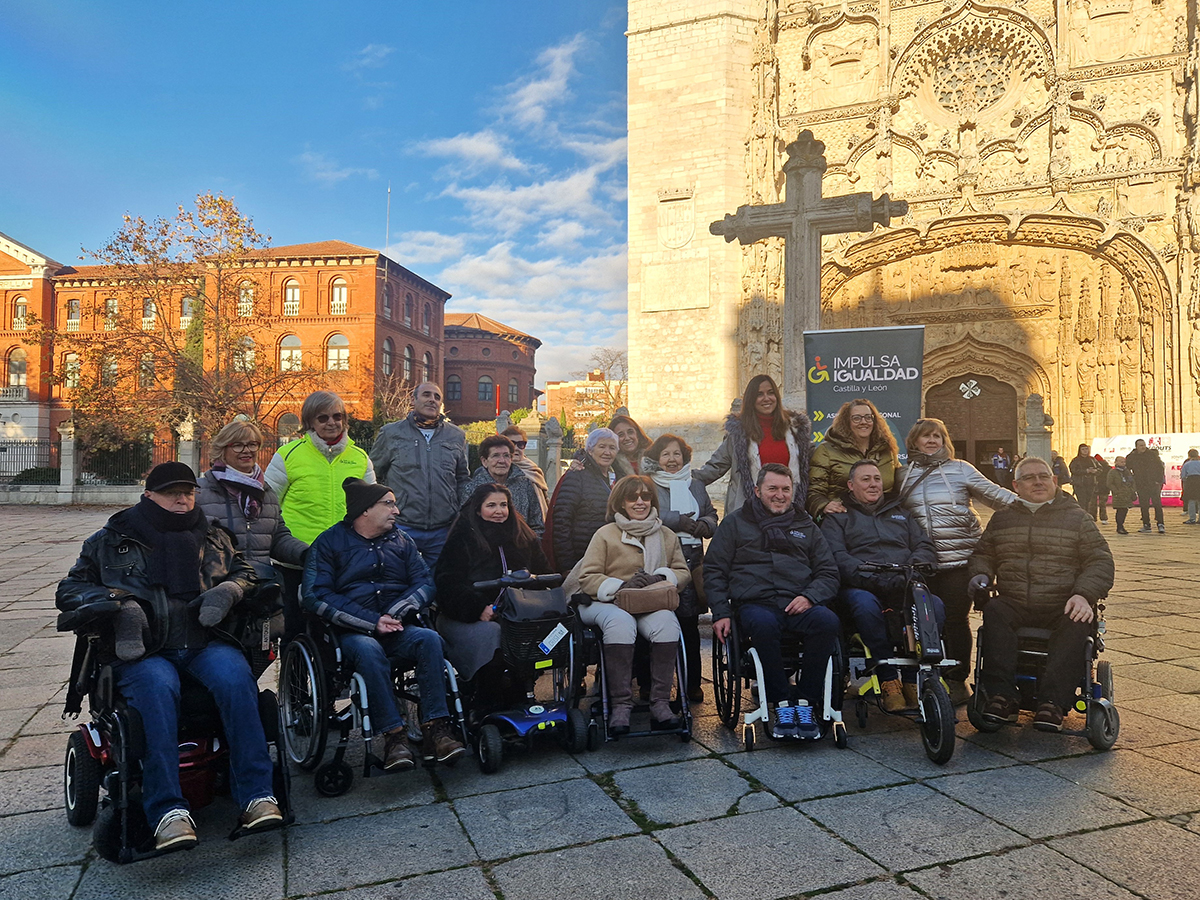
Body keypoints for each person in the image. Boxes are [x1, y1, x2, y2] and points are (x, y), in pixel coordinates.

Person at [57, 462, 281, 852]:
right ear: (149, 496)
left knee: (237, 678)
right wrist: (119, 603)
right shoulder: (111, 540)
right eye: (172, 492)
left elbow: (247, 571)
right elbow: (70, 589)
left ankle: (257, 796)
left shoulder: (214, 536)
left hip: (205, 642)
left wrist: (230, 589)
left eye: (188, 492)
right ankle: (167, 811)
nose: (182, 499)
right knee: (158, 689)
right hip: (145, 651)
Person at [303, 478, 466, 768]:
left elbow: (425, 581)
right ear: (365, 510)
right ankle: (394, 735)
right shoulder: (328, 543)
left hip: (400, 625)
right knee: (368, 649)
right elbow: (316, 595)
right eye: (389, 503)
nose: (397, 511)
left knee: (429, 639)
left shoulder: (402, 540)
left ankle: (436, 729)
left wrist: (399, 610)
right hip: (353, 633)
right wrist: (372, 621)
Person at [969, 456, 1115, 731]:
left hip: (1061, 603)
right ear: (1015, 485)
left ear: (1054, 480)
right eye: (1029, 477)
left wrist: (1083, 594)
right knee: (994, 610)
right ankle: (1002, 695)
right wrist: (981, 574)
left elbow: (1100, 561)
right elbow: (983, 554)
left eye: (1043, 476)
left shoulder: (1077, 518)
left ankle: (1053, 702)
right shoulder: (1002, 519)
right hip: (1014, 601)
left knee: (1077, 619)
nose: (1037, 481)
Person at [704, 463, 841, 740]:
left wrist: (810, 596)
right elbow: (714, 570)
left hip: (799, 601)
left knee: (828, 621)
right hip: (755, 603)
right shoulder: (735, 523)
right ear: (757, 491)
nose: (780, 495)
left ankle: (804, 702)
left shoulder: (806, 525)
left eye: (786, 489)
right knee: (763, 625)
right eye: (773, 489)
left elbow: (828, 572)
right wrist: (720, 612)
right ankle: (780, 703)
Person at [896, 418, 1016, 705]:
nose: (932, 440)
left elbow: (998, 497)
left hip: (960, 560)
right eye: (926, 436)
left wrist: (1040, 505)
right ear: (914, 441)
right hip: (920, 564)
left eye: (938, 435)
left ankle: (957, 678)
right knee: (923, 623)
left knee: (954, 620)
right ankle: (926, 677)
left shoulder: (960, 469)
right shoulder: (902, 475)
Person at [821, 460, 945, 711]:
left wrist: (910, 570)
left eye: (877, 478)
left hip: (903, 582)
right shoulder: (838, 518)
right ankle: (888, 678)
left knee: (935, 605)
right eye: (865, 479)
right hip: (861, 586)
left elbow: (924, 546)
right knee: (864, 604)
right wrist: (870, 577)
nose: (873, 484)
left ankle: (912, 679)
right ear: (850, 485)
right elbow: (836, 556)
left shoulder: (901, 512)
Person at [579, 475, 691, 733]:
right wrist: (621, 586)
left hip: (650, 598)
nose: (640, 501)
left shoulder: (666, 534)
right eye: (632, 497)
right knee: (620, 622)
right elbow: (588, 577)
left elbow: (682, 571)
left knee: (667, 624)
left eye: (646, 495)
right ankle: (620, 705)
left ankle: (660, 703)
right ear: (620, 502)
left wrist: (660, 577)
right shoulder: (605, 534)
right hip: (606, 601)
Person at [434, 483, 551, 710]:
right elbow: (447, 584)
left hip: (518, 614)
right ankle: (486, 701)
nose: (499, 511)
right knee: (495, 634)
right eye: (491, 505)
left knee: (536, 634)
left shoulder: (523, 536)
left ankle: (521, 694)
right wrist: (477, 607)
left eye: (503, 505)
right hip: (469, 617)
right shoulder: (462, 538)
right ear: (478, 509)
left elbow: (545, 573)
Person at [198, 420, 308, 637]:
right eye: (237, 445)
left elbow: (277, 537)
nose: (246, 450)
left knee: (257, 658)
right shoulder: (202, 491)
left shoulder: (265, 493)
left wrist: (306, 553)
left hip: (259, 592)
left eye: (252, 444)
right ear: (223, 449)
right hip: (215, 589)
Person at [643, 433, 718, 703]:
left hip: (693, 559)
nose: (672, 459)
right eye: (666, 455)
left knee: (689, 625)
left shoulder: (695, 484)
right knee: (657, 623)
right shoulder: (649, 484)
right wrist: (678, 521)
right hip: (661, 557)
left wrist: (704, 525)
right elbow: (646, 514)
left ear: (684, 457)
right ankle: (650, 684)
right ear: (657, 459)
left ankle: (692, 683)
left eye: (676, 454)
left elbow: (711, 513)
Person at [370, 383, 470, 567]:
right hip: (401, 526)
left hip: (443, 529)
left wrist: (459, 513)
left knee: (439, 585)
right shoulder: (391, 433)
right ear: (413, 400)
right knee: (400, 582)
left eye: (437, 397)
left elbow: (462, 478)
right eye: (426, 394)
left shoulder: (456, 436)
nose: (432, 399)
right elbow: (373, 477)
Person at [266, 390, 375, 544]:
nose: (331, 422)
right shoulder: (287, 455)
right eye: (323, 418)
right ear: (310, 422)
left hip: (346, 552)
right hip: (297, 552)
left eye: (337, 416)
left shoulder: (360, 457)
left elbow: (372, 507)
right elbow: (267, 505)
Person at [694, 374, 814, 513]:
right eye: (759, 394)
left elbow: (815, 466)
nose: (766, 398)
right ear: (751, 399)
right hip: (749, 512)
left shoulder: (796, 430)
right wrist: (678, 478)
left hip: (788, 510)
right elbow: (714, 467)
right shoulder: (738, 434)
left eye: (770, 393)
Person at [807, 398, 900, 518]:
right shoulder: (826, 450)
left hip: (883, 518)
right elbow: (814, 490)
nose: (863, 422)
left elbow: (898, 488)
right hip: (844, 519)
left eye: (868, 417)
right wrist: (823, 505)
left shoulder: (887, 450)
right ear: (846, 422)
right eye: (856, 418)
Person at [548, 428, 620, 575]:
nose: (607, 452)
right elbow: (562, 521)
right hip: (581, 558)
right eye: (602, 447)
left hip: (607, 557)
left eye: (612, 448)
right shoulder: (577, 476)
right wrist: (567, 564)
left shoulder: (614, 476)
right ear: (590, 450)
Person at [459, 434, 545, 535]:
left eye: (506, 455)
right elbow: (465, 525)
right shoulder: (473, 488)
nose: (502, 461)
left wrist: (531, 544)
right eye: (495, 456)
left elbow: (537, 523)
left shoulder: (525, 484)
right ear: (484, 461)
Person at [503, 425, 549, 518]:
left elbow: (544, 502)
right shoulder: (495, 471)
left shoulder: (533, 470)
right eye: (512, 444)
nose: (516, 448)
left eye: (520, 444)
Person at [1127, 438, 1166, 533]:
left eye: (1144, 445)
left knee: (1157, 504)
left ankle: (1160, 524)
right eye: (1140, 445)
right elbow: (1127, 468)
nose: (1143, 447)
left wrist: (1158, 480)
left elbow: (1160, 467)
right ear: (1136, 447)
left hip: (1153, 483)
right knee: (1144, 505)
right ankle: (1146, 525)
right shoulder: (1132, 456)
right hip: (1141, 484)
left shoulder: (1152, 455)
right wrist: (1132, 479)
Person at [1068, 444, 1099, 519]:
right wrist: (1086, 471)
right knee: (1082, 501)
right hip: (1080, 483)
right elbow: (1073, 470)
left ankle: (1088, 515)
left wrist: (1095, 471)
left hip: (1091, 482)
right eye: (1083, 449)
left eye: (1086, 449)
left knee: (1089, 501)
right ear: (1080, 450)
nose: (1085, 451)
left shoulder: (1092, 459)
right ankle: (1082, 516)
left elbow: (1100, 468)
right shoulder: (1076, 460)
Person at [1108, 456, 1135, 534]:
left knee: (1125, 510)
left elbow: (1132, 481)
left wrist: (1132, 490)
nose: (1123, 463)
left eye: (1124, 462)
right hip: (1119, 494)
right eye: (1121, 462)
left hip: (1127, 494)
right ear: (1116, 462)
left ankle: (1122, 525)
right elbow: (1109, 483)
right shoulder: (1112, 472)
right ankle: (1119, 526)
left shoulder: (1127, 471)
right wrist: (1116, 491)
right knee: (1120, 510)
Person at [1180, 449, 1200, 524]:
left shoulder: (1187, 464)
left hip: (1190, 482)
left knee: (1191, 500)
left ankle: (1192, 518)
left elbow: (1183, 476)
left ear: (1189, 456)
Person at [1093, 453, 1112, 524]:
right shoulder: (1108, 467)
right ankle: (1104, 518)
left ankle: (1093, 518)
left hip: (1094, 486)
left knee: (1092, 504)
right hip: (1104, 487)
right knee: (1103, 504)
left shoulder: (1093, 466)